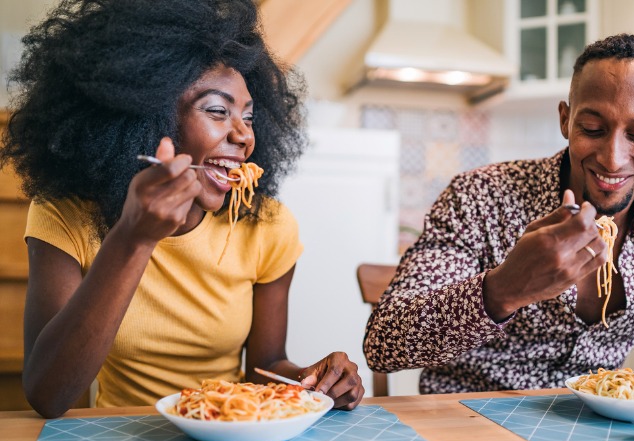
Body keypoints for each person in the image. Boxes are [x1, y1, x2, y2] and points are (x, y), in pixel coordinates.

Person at [363, 34, 634, 407]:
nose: (612, 158)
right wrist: (502, 288)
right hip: (467, 418)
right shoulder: (479, 197)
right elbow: (385, 344)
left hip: (600, 427)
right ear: (565, 119)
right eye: (592, 128)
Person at [0, 0, 363, 418]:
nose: (244, 136)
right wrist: (133, 237)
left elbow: (267, 365)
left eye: (248, 117)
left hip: (227, 429)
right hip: (118, 433)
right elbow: (47, 393)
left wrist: (313, 380)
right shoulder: (65, 215)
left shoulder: (268, 225)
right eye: (217, 111)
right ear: (149, 118)